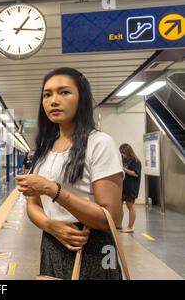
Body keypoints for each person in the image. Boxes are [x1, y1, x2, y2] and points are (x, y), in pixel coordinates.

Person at [16, 67, 124, 280]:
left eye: (64, 92)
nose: (53, 101)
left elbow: (110, 218)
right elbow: (33, 205)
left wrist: (51, 189)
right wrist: (49, 225)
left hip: (94, 247)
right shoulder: (44, 149)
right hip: (52, 242)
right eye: (47, 95)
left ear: (81, 98)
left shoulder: (99, 143)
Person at [116, 143, 142, 233]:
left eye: (122, 152)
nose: (121, 155)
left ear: (127, 151)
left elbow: (136, 173)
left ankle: (130, 227)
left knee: (130, 206)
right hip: (122, 187)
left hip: (131, 187)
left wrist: (124, 169)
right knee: (119, 206)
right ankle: (118, 225)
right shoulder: (123, 160)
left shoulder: (135, 161)